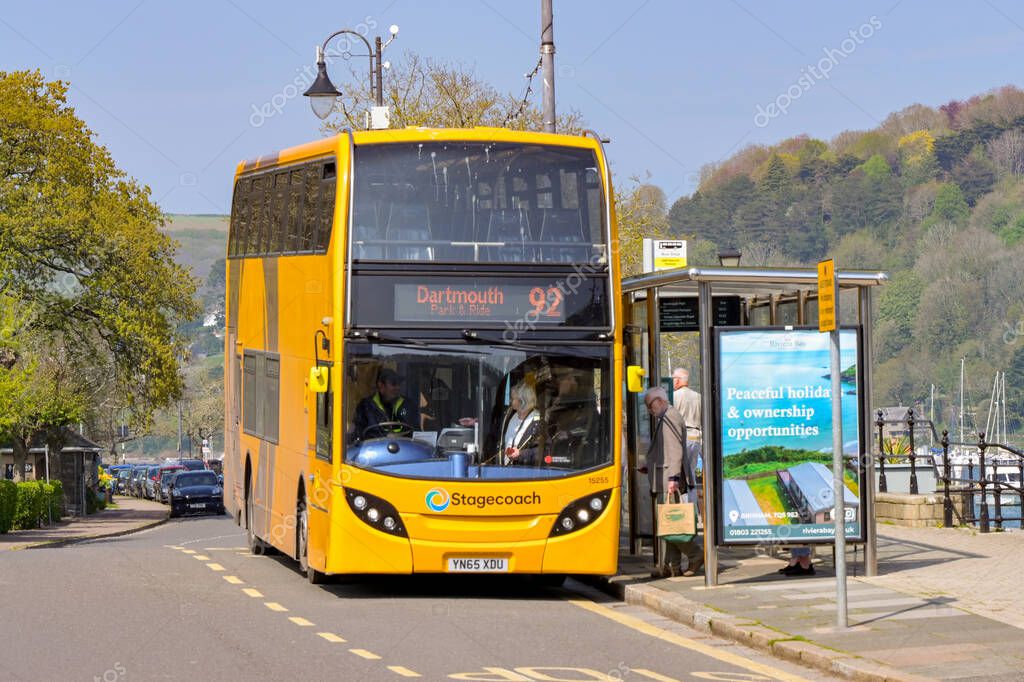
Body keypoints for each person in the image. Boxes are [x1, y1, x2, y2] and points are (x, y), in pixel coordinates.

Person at [640, 386, 703, 577]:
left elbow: (675, 449)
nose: (649, 410)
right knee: (670, 523)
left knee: (673, 522)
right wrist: (650, 466)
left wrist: (673, 478)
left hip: (669, 479)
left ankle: (696, 554)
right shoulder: (666, 416)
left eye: (650, 406)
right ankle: (672, 566)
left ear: (659, 401)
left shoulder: (670, 417)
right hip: (665, 476)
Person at [353, 368, 420, 440]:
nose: (397, 387)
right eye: (393, 383)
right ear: (381, 386)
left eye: (399, 384)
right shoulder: (365, 406)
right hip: (375, 446)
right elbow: (358, 434)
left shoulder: (408, 405)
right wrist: (385, 436)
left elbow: (416, 432)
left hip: (404, 446)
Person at [672, 368, 703, 513]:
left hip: (681, 438)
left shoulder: (674, 396)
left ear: (678, 381)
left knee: (680, 476)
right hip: (696, 438)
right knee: (690, 475)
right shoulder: (698, 397)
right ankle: (694, 511)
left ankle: (686, 512)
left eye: (673, 379)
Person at [501, 383, 542, 466]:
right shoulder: (511, 416)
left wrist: (521, 454)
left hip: (525, 470)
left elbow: (542, 450)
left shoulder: (537, 421)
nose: (510, 401)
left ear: (522, 401)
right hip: (507, 469)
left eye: (512, 398)